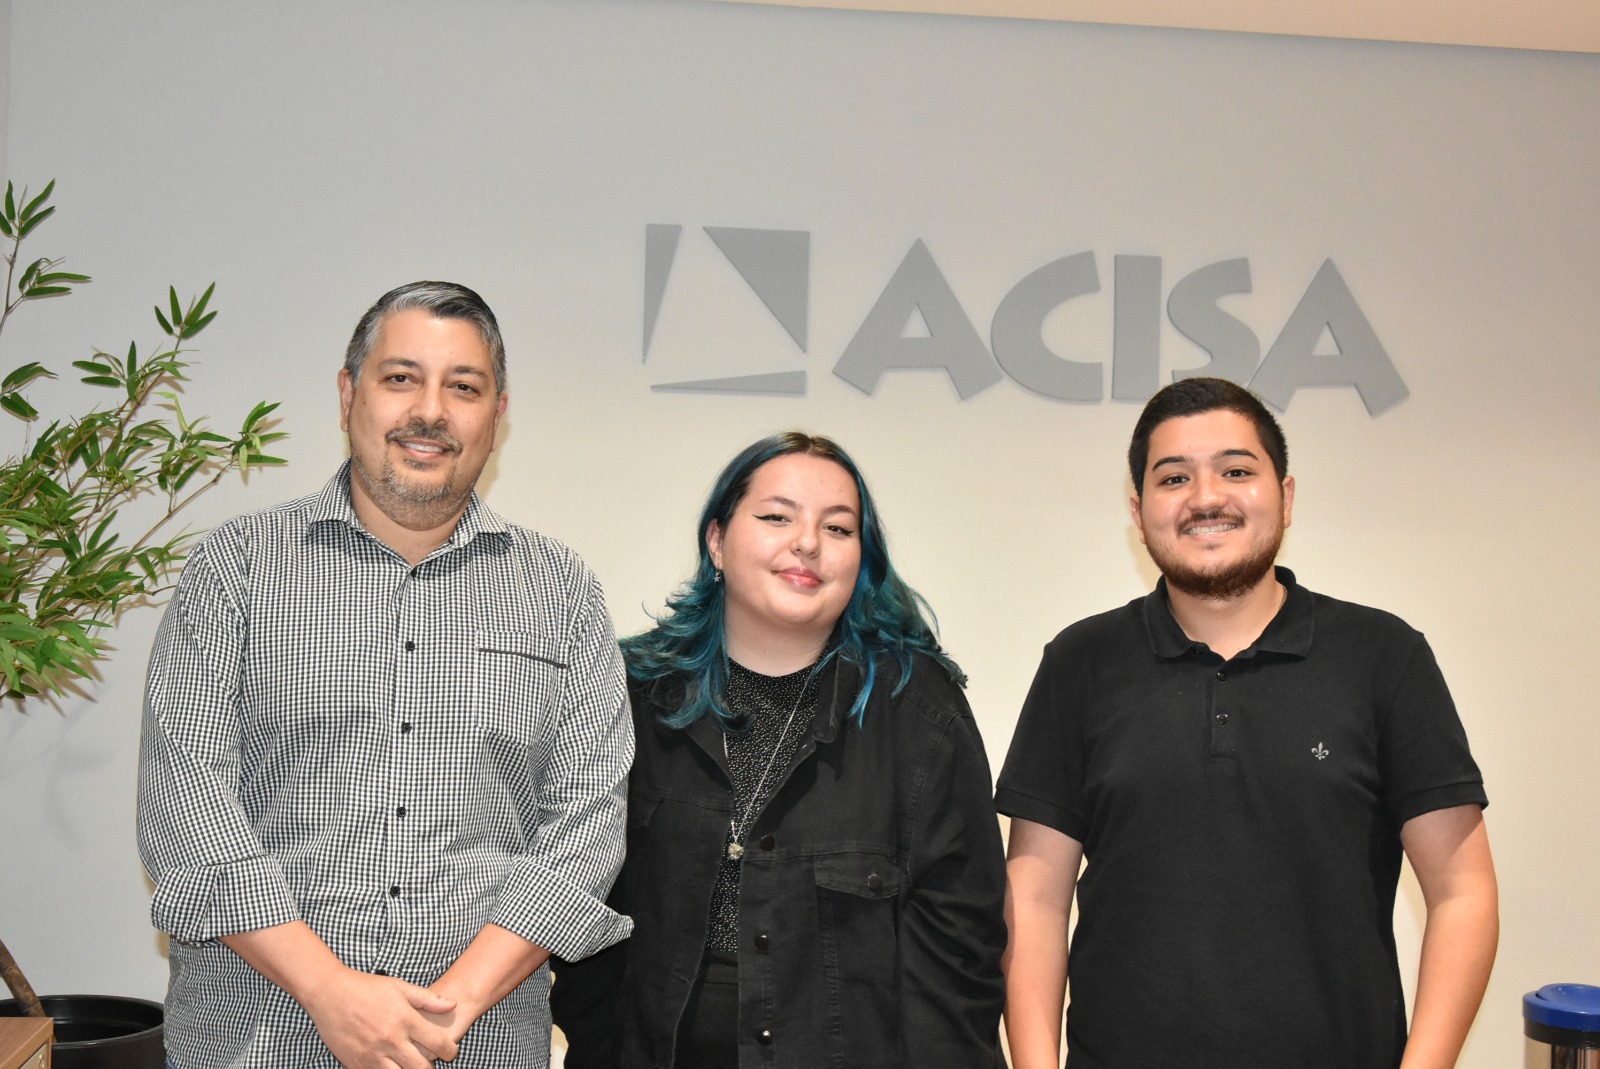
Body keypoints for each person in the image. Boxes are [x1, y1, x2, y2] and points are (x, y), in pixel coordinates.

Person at [136, 281, 633, 1069]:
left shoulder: (562, 592)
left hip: (476, 1041)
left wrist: (439, 1016)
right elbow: (188, 813)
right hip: (254, 1041)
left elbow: (587, 825)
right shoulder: (236, 570)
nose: (430, 411)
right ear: (349, 395)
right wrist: (332, 993)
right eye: (401, 378)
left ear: (497, 415)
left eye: (463, 387)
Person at [998, 377, 1498, 1069]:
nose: (1206, 497)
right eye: (1174, 477)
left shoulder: (1384, 656)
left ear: (1286, 497)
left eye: (1236, 471)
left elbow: (1462, 892)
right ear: (1139, 512)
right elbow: (1034, 898)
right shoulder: (1081, 662)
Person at [550, 431, 1007, 1069]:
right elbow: (580, 896)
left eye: (838, 528)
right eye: (776, 517)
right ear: (717, 541)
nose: (808, 543)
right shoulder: (631, 693)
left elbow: (960, 944)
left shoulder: (918, 711)